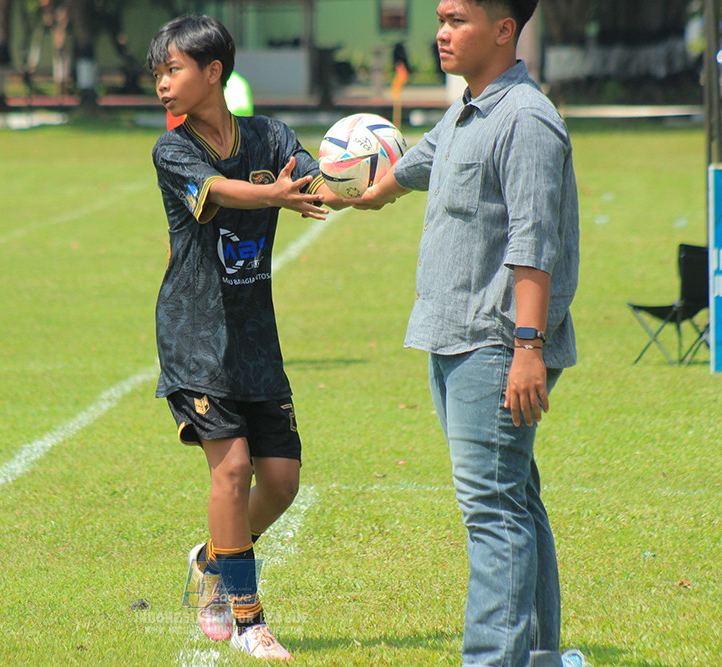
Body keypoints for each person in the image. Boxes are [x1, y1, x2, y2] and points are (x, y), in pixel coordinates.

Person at [349, 1, 586, 666]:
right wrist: (344, 189)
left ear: (504, 29)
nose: (441, 32)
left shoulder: (526, 119)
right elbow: (413, 166)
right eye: (440, 18)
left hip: (497, 342)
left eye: (457, 20)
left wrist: (527, 347)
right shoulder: (469, 109)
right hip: (455, 334)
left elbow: (534, 241)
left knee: (493, 512)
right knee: (514, 499)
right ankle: (537, 653)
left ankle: (492, 658)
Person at [145, 14, 344, 661]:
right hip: (195, 336)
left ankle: (212, 557)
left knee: (281, 481)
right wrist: (275, 197)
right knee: (231, 469)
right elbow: (221, 192)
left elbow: (312, 178)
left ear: (213, 72)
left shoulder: (270, 137)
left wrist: (353, 183)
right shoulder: (173, 149)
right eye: (158, 74)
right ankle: (247, 615)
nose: (162, 84)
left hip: (255, 337)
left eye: (172, 70)